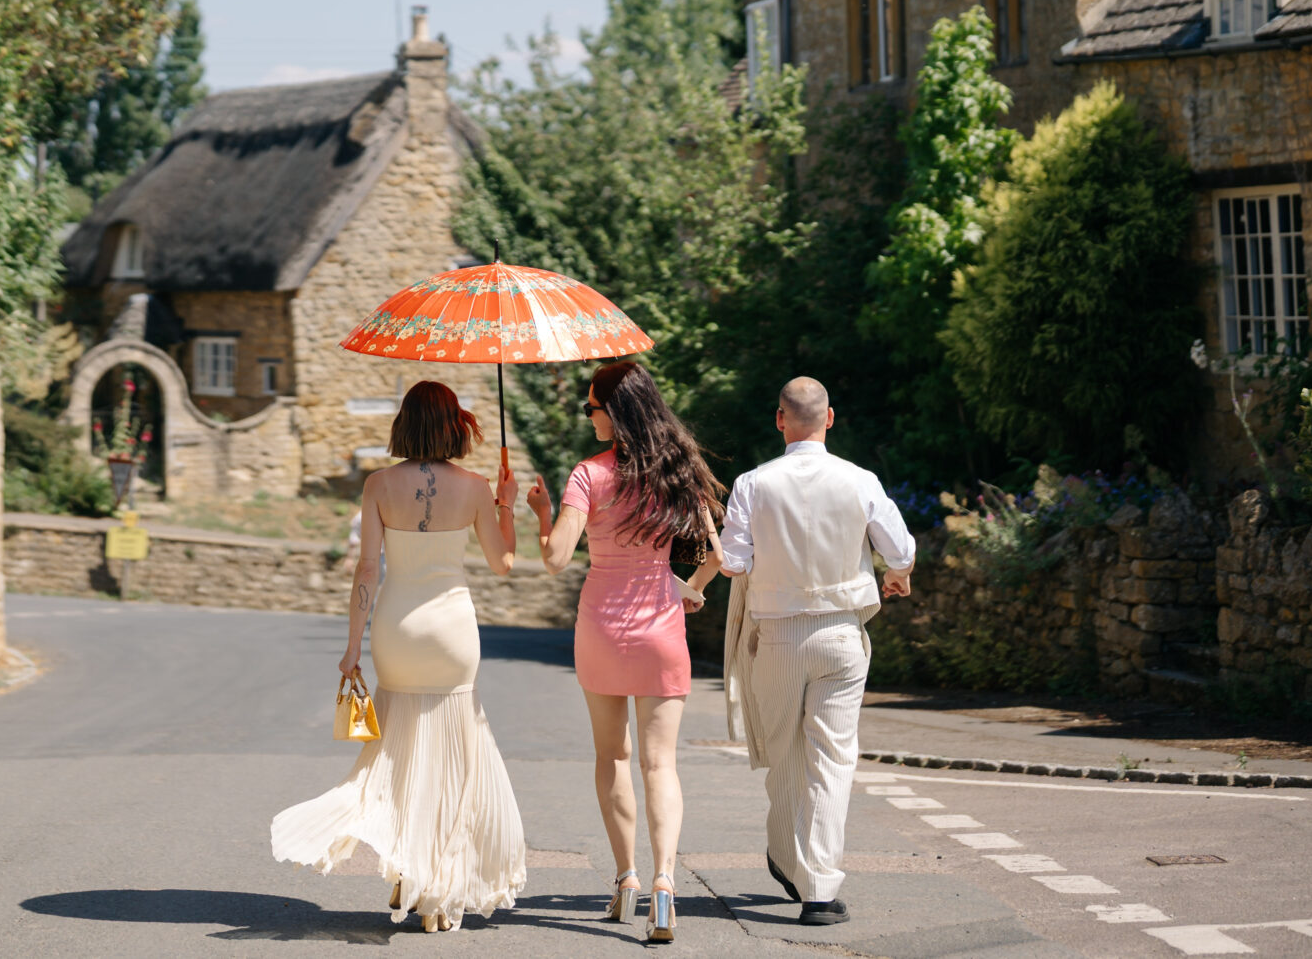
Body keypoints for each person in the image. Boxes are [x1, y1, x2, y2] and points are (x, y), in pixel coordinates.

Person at [271, 382, 528, 932]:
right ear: (455, 426)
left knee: (403, 753)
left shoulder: (379, 484)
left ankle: (407, 870)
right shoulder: (478, 486)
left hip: (396, 630)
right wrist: (506, 507)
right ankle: (437, 890)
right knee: (451, 757)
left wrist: (351, 646)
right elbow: (503, 563)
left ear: (404, 424)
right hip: (454, 633)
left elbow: (368, 570)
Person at [685, 376, 914, 929]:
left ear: (779, 419)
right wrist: (899, 575)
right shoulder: (859, 480)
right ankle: (818, 888)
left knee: (784, 755)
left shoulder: (753, 483)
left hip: (778, 637)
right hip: (840, 634)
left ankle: (788, 858)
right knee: (832, 761)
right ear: (830, 418)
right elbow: (900, 548)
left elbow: (735, 561)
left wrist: (701, 568)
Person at [522, 359, 723, 944]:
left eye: (592, 406)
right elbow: (724, 552)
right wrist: (689, 589)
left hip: (602, 629)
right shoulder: (677, 471)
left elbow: (557, 558)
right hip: (661, 628)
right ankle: (665, 884)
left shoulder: (588, 475)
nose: (589, 416)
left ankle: (626, 879)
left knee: (612, 757)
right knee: (660, 764)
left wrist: (540, 516)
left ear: (614, 411)